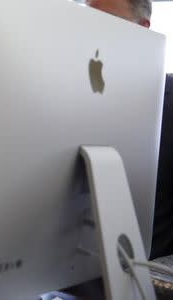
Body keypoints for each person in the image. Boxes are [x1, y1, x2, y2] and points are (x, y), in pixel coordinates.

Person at [87, 0, 173, 259]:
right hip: (68, 272)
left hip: (145, 272)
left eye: (107, 21)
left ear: (142, 28)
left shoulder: (167, 99)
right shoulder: (67, 96)